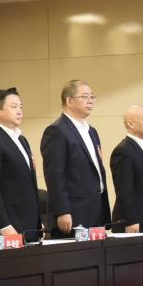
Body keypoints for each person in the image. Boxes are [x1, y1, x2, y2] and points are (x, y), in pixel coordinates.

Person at [40, 79, 110, 235]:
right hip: (73, 212)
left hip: (96, 208)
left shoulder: (91, 131)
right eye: (85, 97)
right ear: (69, 101)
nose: (90, 101)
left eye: (92, 97)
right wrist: (62, 211)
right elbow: (55, 175)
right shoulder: (57, 131)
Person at [0, 86, 41, 239]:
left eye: (21, 107)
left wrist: (38, 222)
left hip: (29, 224)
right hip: (10, 225)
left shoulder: (21, 140)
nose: (19, 111)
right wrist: (4, 225)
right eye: (14, 107)